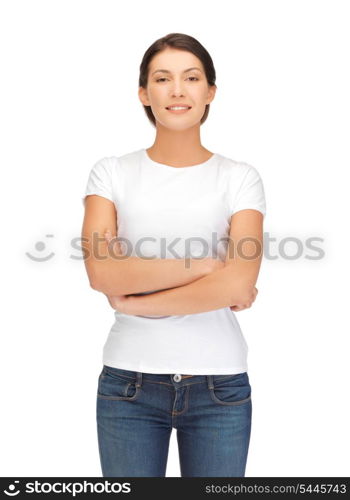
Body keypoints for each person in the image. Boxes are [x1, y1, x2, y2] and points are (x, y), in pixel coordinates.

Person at [81, 33, 266, 477]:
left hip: (220, 384)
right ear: (145, 93)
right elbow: (101, 271)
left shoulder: (240, 178)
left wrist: (136, 300)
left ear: (210, 92)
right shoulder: (111, 173)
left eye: (192, 77)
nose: (178, 90)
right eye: (162, 79)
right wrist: (207, 267)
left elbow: (238, 284)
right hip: (129, 385)